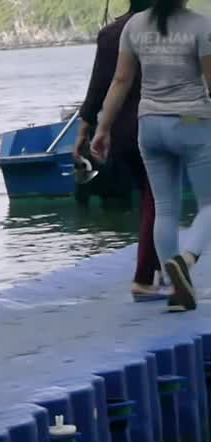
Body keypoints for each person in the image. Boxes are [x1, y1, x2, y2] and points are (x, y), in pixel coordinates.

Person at [92, 0, 211, 312]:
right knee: (209, 204)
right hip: (191, 123)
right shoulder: (200, 25)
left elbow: (120, 81)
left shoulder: (134, 26)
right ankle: (186, 259)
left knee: (164, 208)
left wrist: (103, 127)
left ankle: (175, 291)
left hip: (150, 126)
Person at [76, 0, 164, 301]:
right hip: (159, 128)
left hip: (123, 134)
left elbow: (98, 87)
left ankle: (158, 268)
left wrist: (85, 131)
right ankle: (144, 276)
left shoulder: (111, 33)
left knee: (152, 198)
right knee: (157, 200)